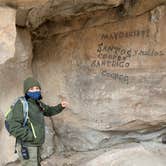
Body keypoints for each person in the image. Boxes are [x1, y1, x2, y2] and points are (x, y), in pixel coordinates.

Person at [7, 77, 68, 166]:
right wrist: (30, 136)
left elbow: (48, 111)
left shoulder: (37, 103)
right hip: (27, 145)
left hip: (37, 144)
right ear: (26, 91)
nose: (35, 91)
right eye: (31, 89)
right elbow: (13, 126)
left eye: (37, 88)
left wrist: (60, 106)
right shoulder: (21, 104)